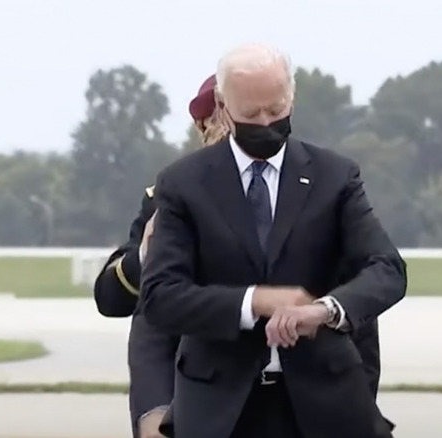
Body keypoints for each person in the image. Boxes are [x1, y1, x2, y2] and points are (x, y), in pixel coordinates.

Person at [140, 43, 406, 438]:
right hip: (220, 411)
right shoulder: (183, 184)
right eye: (250, 114)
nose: (265, 122)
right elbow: (161, 296)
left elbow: (387, 269)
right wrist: (255, 300)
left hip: (324, 407)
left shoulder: (335, 177)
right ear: (223, 104)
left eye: (276, 109)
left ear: (292, 99)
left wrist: (325, 310)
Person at [93, 74, 229, 438]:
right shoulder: (166, 198)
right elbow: (119, 302)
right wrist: (145, 256)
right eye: (221, 121)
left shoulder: (311, 192)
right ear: (204, 128)